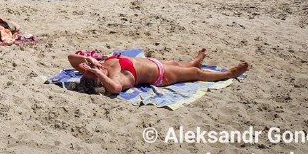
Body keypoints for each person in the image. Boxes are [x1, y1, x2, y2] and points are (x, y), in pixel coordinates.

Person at [67, 48, 249, 95]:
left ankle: (195, 60)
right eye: (94, 72)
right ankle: (228, 74)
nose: (94, 68)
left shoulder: (102, 66)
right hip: (162, 75)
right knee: (195, 73)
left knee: (177, 63)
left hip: (153, 62)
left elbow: (70, 58)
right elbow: (114, 89)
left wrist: (89, 60)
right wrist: (99, 73)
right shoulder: (116, 78)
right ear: (99, 80)